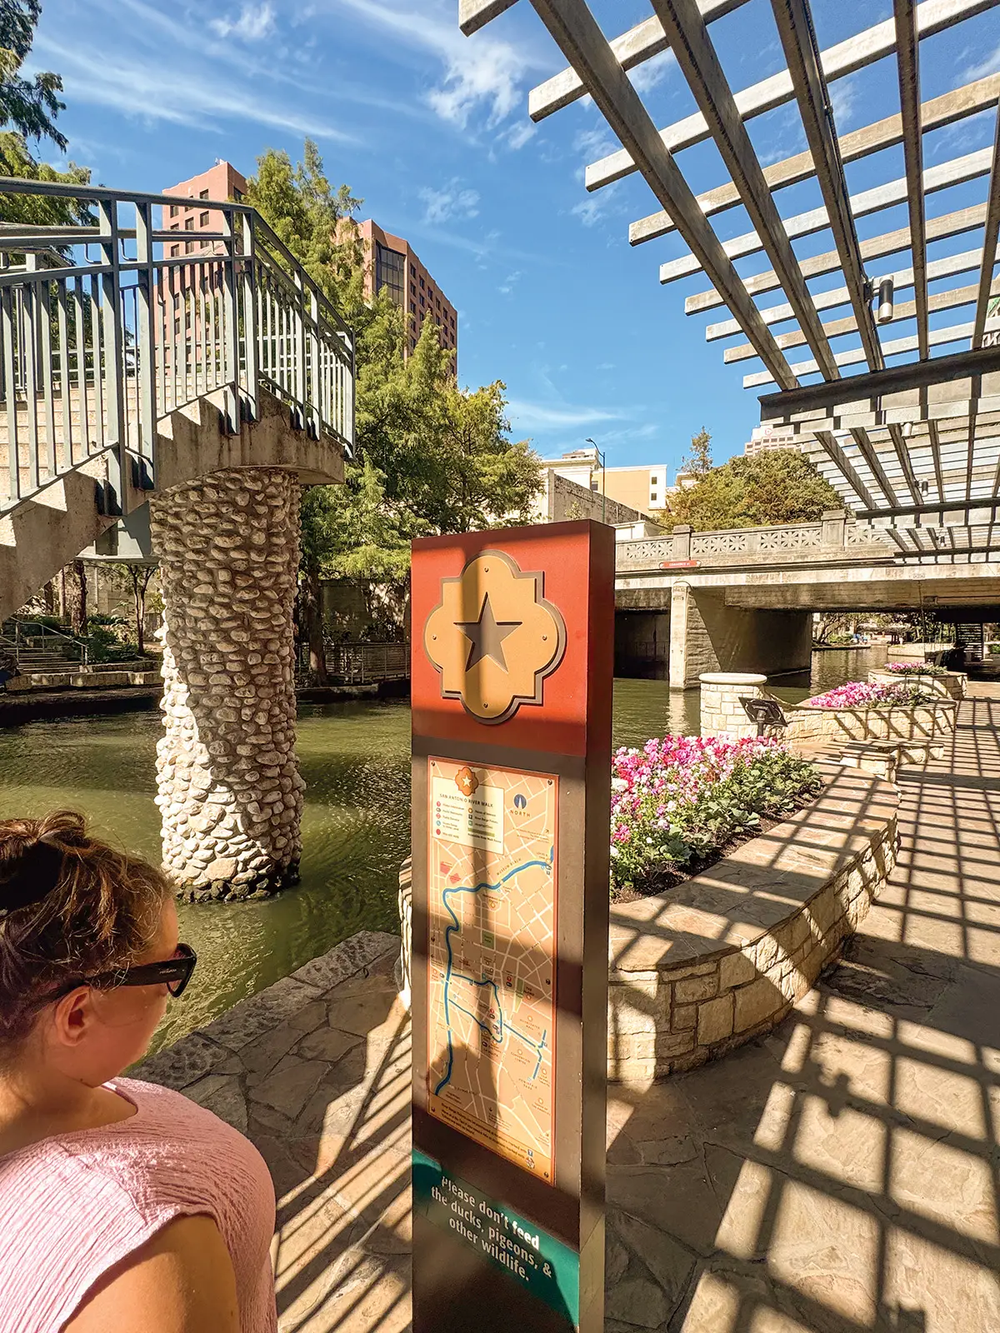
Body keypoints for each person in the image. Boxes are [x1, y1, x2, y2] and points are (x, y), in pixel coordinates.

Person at [0, 811, 277, 1332]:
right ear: (77, 1014)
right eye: (170, 969)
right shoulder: (149, 1251)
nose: (171, 991)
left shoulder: (77, 1094)